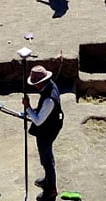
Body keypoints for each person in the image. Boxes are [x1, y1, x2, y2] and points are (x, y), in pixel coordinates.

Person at [22, 66, 64, 201]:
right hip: (50, 124)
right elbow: (42, 113)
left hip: (48, 130)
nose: (35, 86)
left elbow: (38, 121)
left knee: (47, 160)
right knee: (45, 158)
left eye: (35, 84)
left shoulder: (49, 99)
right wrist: (32, 110)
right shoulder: (50, 86)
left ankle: (51, 189)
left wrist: (28, 107)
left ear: (40, 82)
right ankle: (47, 179)